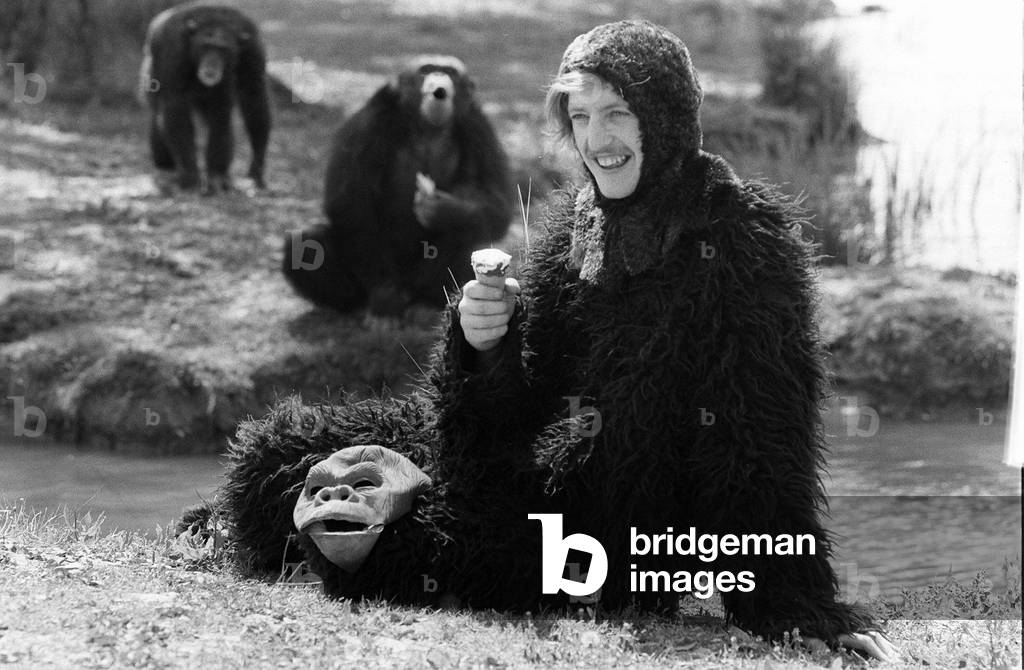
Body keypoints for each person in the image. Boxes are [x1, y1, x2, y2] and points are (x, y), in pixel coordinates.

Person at [449, 19, 896, 661]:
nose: (597, 140)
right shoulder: (575, 228)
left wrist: (787, 601)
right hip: (574, 505)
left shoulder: (744, 242)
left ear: (665, 117)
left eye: (619, 113)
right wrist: (481, 344)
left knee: (432, 548)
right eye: (580, 117)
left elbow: (761, 445)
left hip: (658, 542)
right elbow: (521, 411)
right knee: (311, 466)